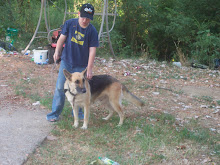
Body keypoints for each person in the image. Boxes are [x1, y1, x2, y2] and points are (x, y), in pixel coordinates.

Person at [46, 3, 99, 122]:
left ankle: (78, 112)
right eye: (83, 17)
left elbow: (92, 51)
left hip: (81, 66)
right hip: (67, 61)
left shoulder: (92, 31)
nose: (85, 20)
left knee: (80, 89)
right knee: (60, 87)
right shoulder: (70, 23)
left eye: (88, 18)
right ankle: (54, 113)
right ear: (79, 14)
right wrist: (57, 52)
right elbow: (61, 39)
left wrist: (89, 68)